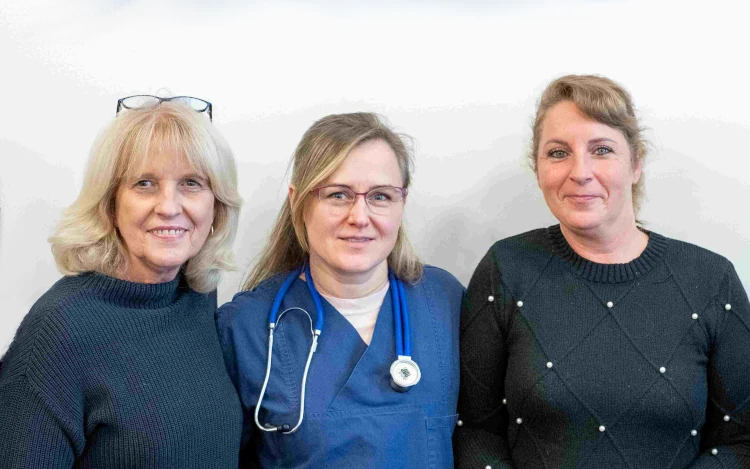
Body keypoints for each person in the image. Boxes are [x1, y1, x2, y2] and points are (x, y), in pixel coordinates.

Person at [453, 75, 750, 468]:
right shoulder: (506, 269)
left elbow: (740, 440)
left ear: (636, 164)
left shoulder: (711, 280)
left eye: (602, 150)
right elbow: (475, 430)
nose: (580, 171)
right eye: (558, 153)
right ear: (538, 168)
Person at [0, 96, 244, 468]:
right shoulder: (59, 331)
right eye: (145, 183)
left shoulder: (197, 298)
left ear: (216, 206)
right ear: (110, 204)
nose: (169, 206)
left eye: (191, 183)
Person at [217, 112, 463, 468]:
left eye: (380, 196)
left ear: (402, 203)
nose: (359, 217)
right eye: (338, 195)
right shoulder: (245, 329)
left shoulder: (445, 302)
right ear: (298, 202)